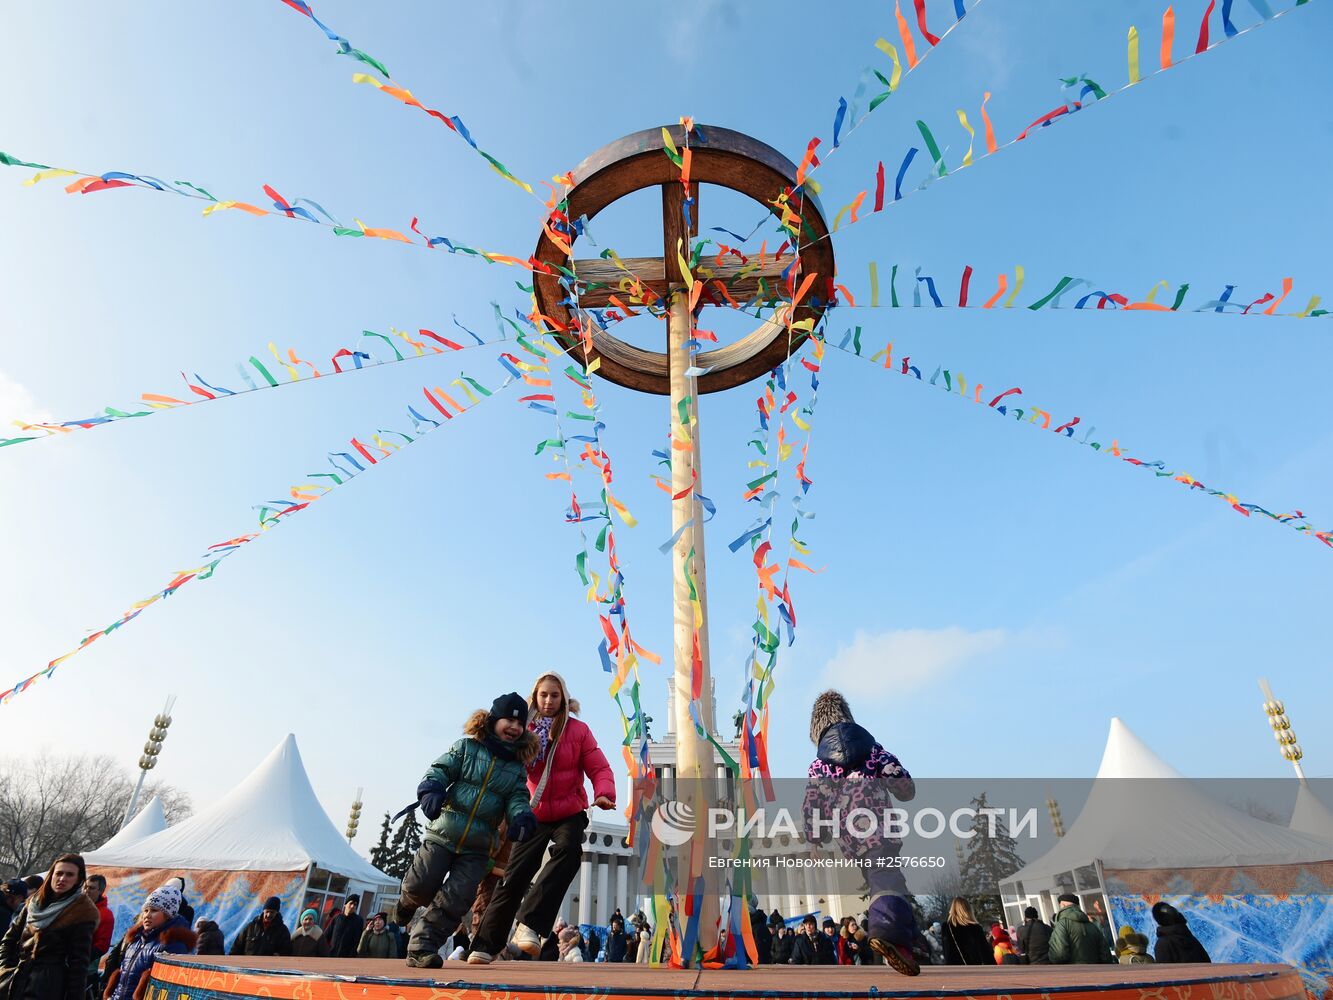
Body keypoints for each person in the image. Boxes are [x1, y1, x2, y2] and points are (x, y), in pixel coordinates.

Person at [467, 674, 615, 965]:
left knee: (569, 851)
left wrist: (604, 792)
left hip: (569, 809)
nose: (548, 701)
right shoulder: (524, 730)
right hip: (531, 810)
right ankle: (484, 945)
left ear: (564, 699)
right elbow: (497, 754)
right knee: (514, 876)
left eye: (555, 696)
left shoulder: (578, 730)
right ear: (534, 697)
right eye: (543, 695)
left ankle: (529, 925)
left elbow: (598, 765)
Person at [392, 693, 539, 968]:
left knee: (455, 899)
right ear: (494, 719)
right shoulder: (466, 748)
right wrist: (431, 788)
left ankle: (422, 946)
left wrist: (521, 816)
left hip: (479, 847)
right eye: (509, 720)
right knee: (420, 883)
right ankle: (406, 903)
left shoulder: (516, 768)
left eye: (520, 724)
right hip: (444, 833)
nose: (515, 728)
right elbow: (440, 769)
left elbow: (518, 797)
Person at [802, 691, 920, 976]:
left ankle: (906, 942)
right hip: (879, 823)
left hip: (850, 834)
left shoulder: (819, 764)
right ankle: (884, 928)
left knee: (887, 878)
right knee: (885, 875)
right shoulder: (871, 748)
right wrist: (904, 787)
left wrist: (815, 838)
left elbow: (811, 805)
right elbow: (900, 780)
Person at [0, 854, 100, 1000]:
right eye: (59, 873)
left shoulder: (82, 911)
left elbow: (78, 964)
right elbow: (9, 939)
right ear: (51, 874)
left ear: (78, 880)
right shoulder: (35, 901)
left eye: (69, 874)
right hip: (14, 979)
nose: (62, 878)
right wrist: (5, 968)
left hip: (48, 986)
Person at [104, 884, 195, 1000]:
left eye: (154, 910)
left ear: (168, 915)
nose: (147, 915)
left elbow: (165, 989)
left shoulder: (173, 943)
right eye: (146, 910)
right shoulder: (136, 939)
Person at [1048, 894, 1109, 964]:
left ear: (1063, 905)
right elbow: (1106, 956)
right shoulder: (1092, 926)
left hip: (1073, 972)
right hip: (1096, 971)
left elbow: (1059, 955)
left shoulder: (1062, 924)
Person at [941, 898, 991, 965]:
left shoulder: (946, 927)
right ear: (968, 910)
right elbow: (985, 953)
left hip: (954, 969)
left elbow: (946, 952)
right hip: (974, 969)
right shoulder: (975, 928)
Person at [82, 877, 115, 974]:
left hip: (85, 968)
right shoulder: (76, 908)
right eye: (85, 887)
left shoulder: (105, 914)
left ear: (101, 891)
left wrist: (80, 959)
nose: (86, 891)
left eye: (91, 888)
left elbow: (102, 946)